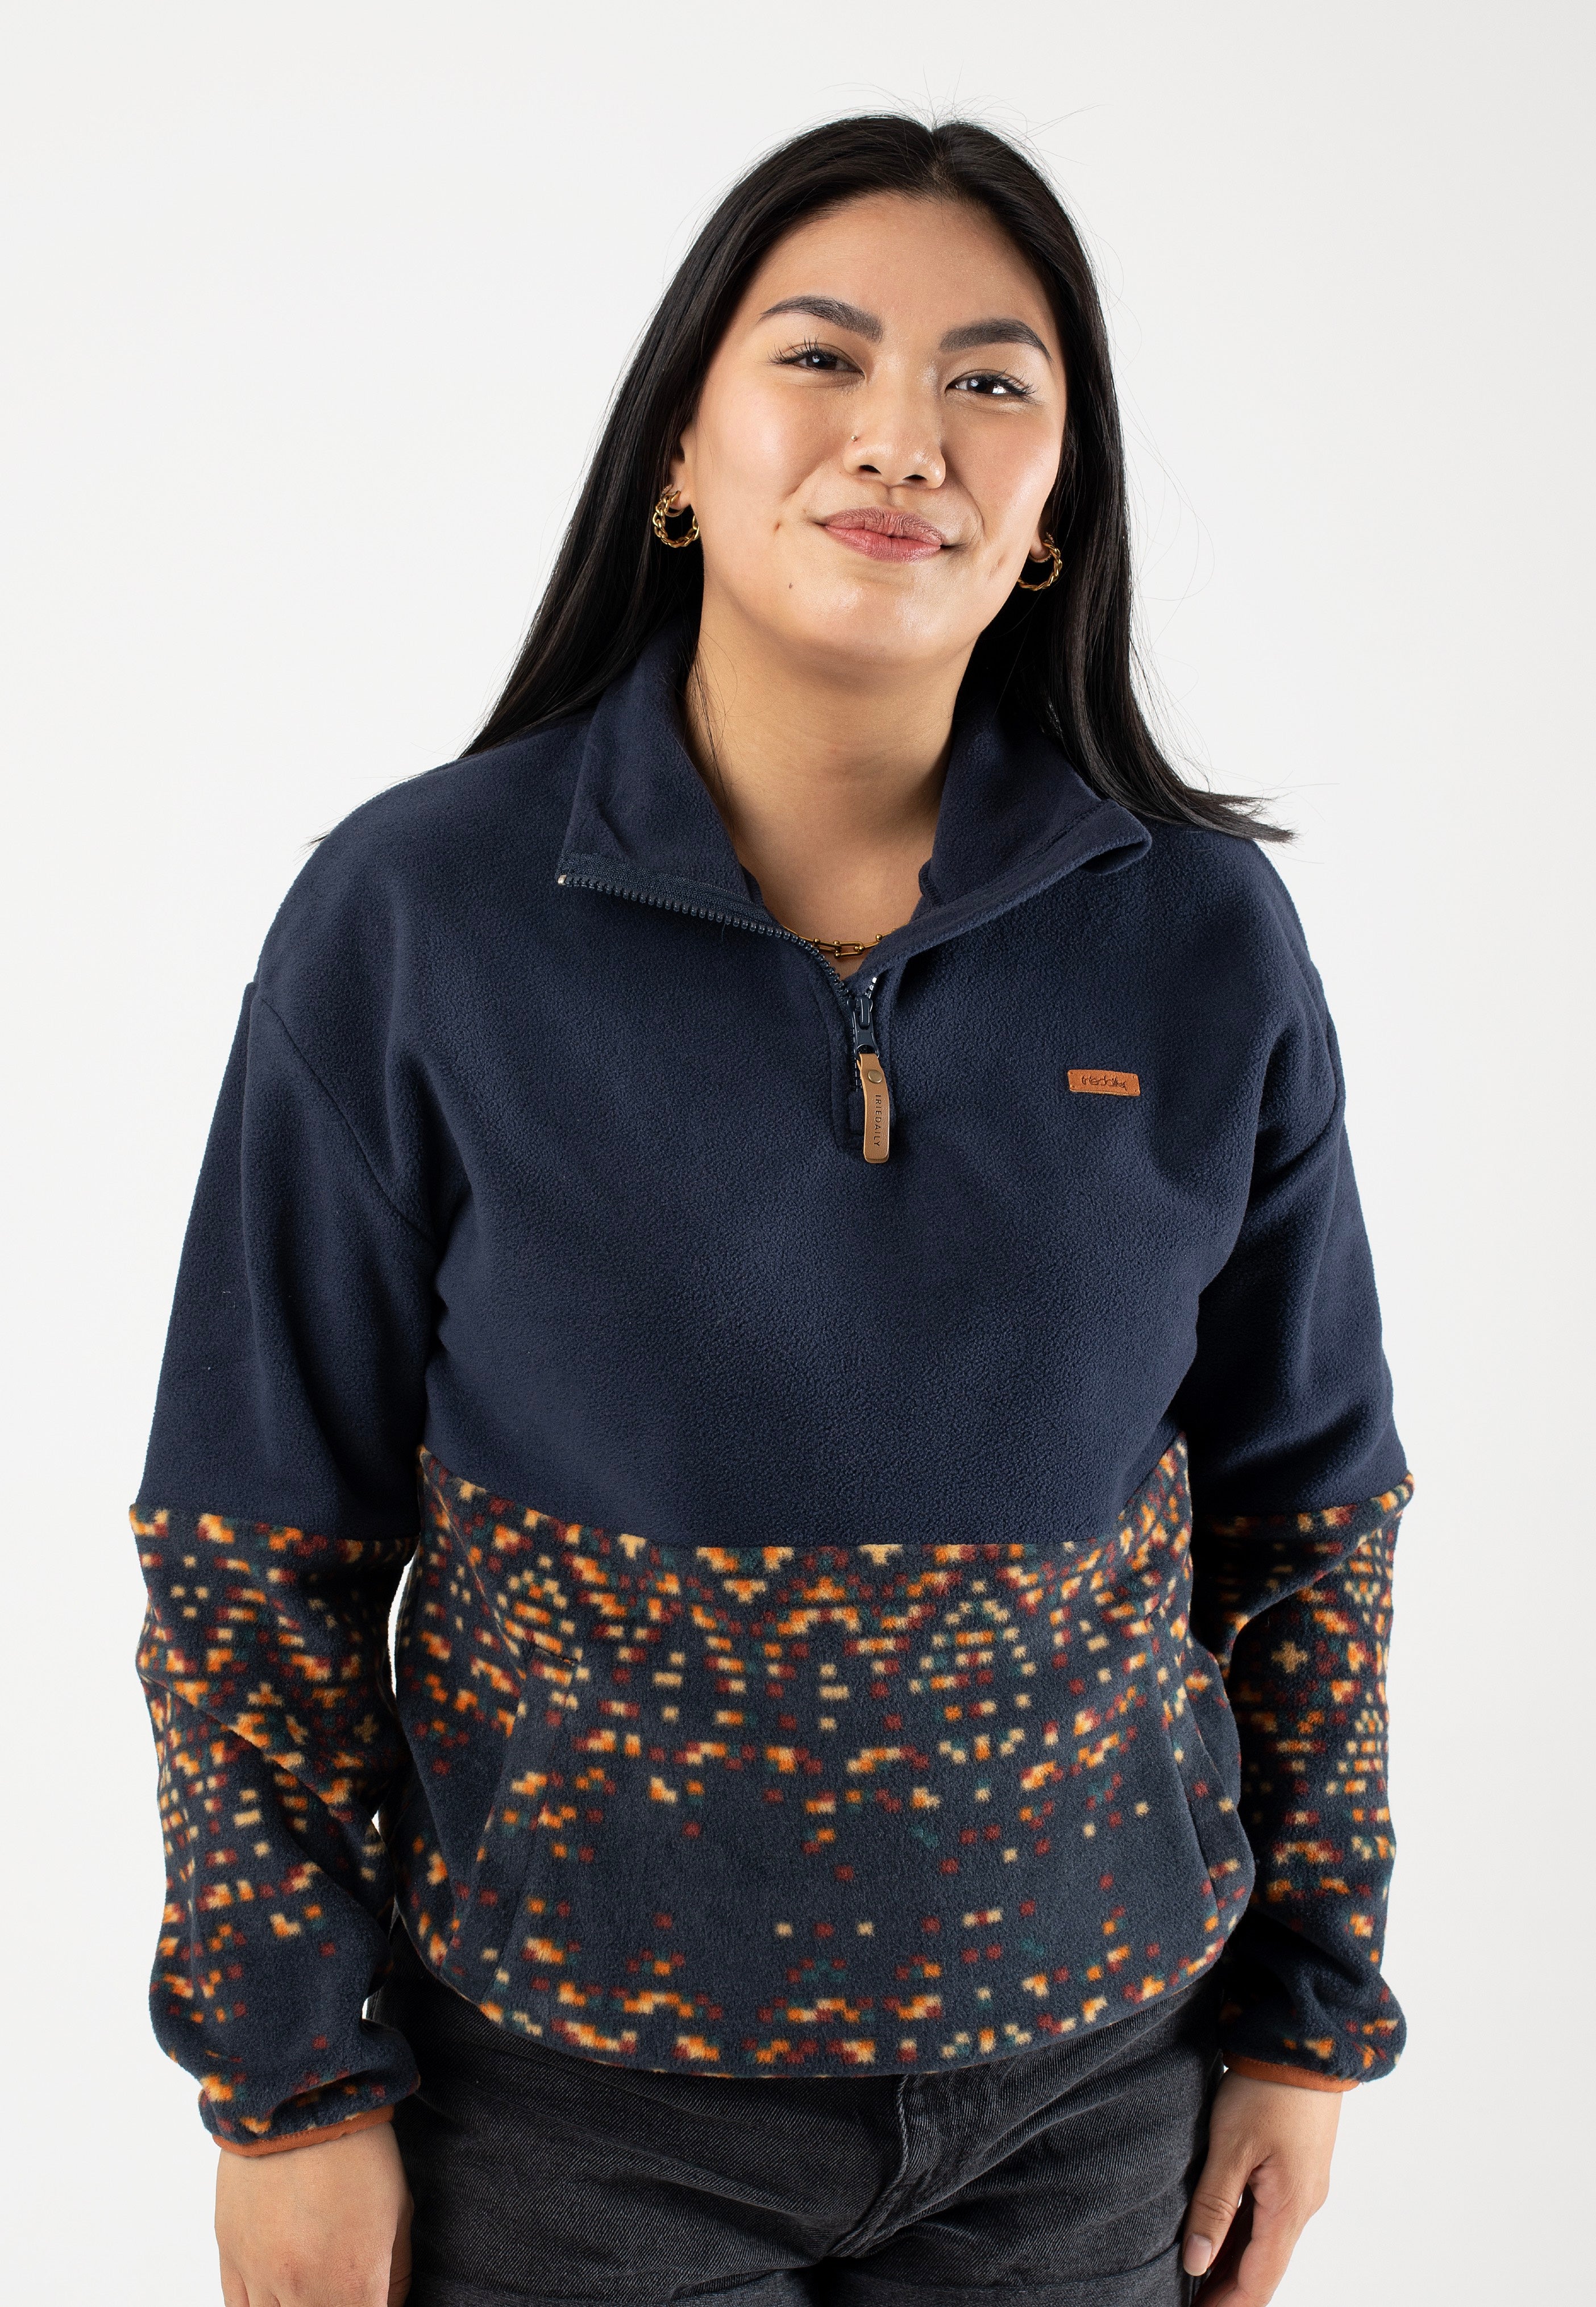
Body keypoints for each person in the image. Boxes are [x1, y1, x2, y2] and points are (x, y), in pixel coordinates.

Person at [132, 115, 1411, 2307]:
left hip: (1092, 2106)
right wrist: (289, 2090)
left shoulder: (1204, 940)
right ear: (679, 450)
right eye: (822, 357)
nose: (904, 435)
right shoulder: (417, 918)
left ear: (1053, 511)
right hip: (561, 2124)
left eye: (990, 382)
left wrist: (1308, 2020)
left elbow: (1315, 1519)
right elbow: (254, 1544)